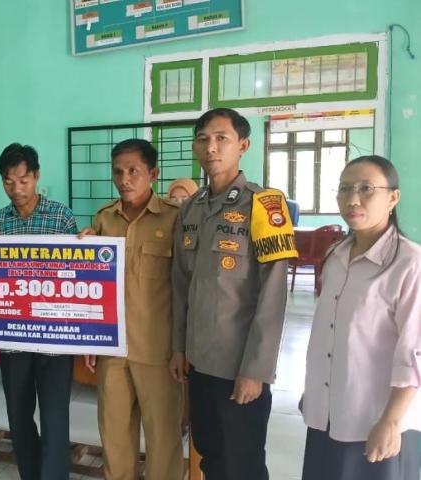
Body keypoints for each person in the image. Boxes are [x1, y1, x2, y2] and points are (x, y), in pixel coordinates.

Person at [169, 108, 298, 480]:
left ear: (243, 145)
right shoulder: (191, 209)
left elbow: (273, 297)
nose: (211, 147)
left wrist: (256, 370)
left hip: (238, 366)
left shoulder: (265, 205)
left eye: (221, 138)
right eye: (202, 139)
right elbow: (181, 284)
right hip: (199, 362)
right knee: (210, 456)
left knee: (242, 464)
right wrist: (179, 348)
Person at [300, 155, 421, 480]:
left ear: (393, 198)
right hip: (328, 415)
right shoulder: (336, 255)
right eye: (345, 189)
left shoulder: (409, 263)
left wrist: (390, 422)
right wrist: (315, 395)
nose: (352, 199)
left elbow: (414, 353)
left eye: (366, 189)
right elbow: (329, 333)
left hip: (376, 421)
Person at [0, 143, 77, 480]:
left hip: (56, 339)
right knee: (18, 415)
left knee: (55, 417)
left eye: (23, 180)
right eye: (8, 181)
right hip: (13, 338)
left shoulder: (61, 217)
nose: (16, 189)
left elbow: (78, 272)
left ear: (37, 176)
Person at [82, 139, 183, 479]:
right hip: (112, 350)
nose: (124, 179)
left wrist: (181, 348)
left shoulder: (174, 218)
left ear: (153, 174)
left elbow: (185, 288)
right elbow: (93, 288)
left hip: (158, 351)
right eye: (118, 172)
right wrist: (91, 339)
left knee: (162, 438)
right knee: (114, 437)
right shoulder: (104, 220)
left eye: (133, 171)